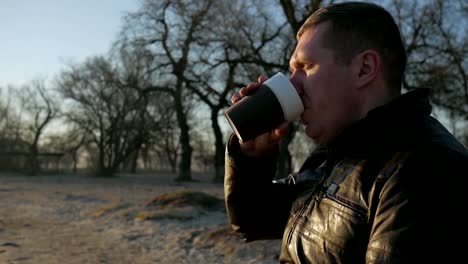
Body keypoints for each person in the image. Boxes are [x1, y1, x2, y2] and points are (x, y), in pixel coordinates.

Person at [224, 2, 468, 263]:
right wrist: (252, 158)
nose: (292, 84)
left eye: (305, 66)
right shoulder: (335, 155)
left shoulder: (426, 170)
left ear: (364, 69)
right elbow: (254, 221)